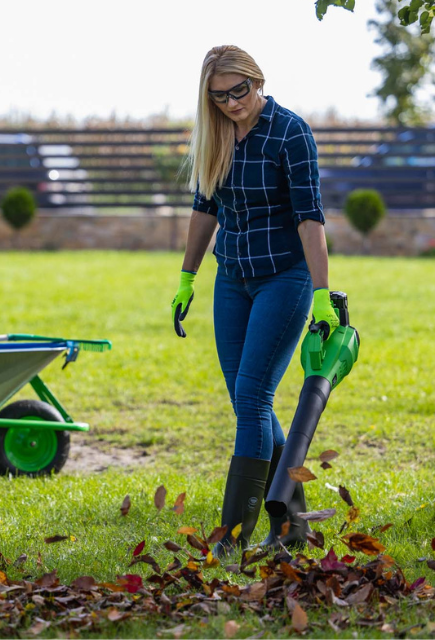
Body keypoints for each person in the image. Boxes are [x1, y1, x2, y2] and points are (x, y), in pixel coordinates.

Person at [171, 45, 339, 556]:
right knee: (250, 402)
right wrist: (187, 277)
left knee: (251, 399)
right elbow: (205, 210)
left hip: (283, 279)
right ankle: (293, 524)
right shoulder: (216, 134)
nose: (231, 103)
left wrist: (321, 293)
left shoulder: (290, 132)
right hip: (233, 279)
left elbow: (310, 216)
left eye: (238, 91)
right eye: (218, 96)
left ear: (256, 80)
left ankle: (232, 537)